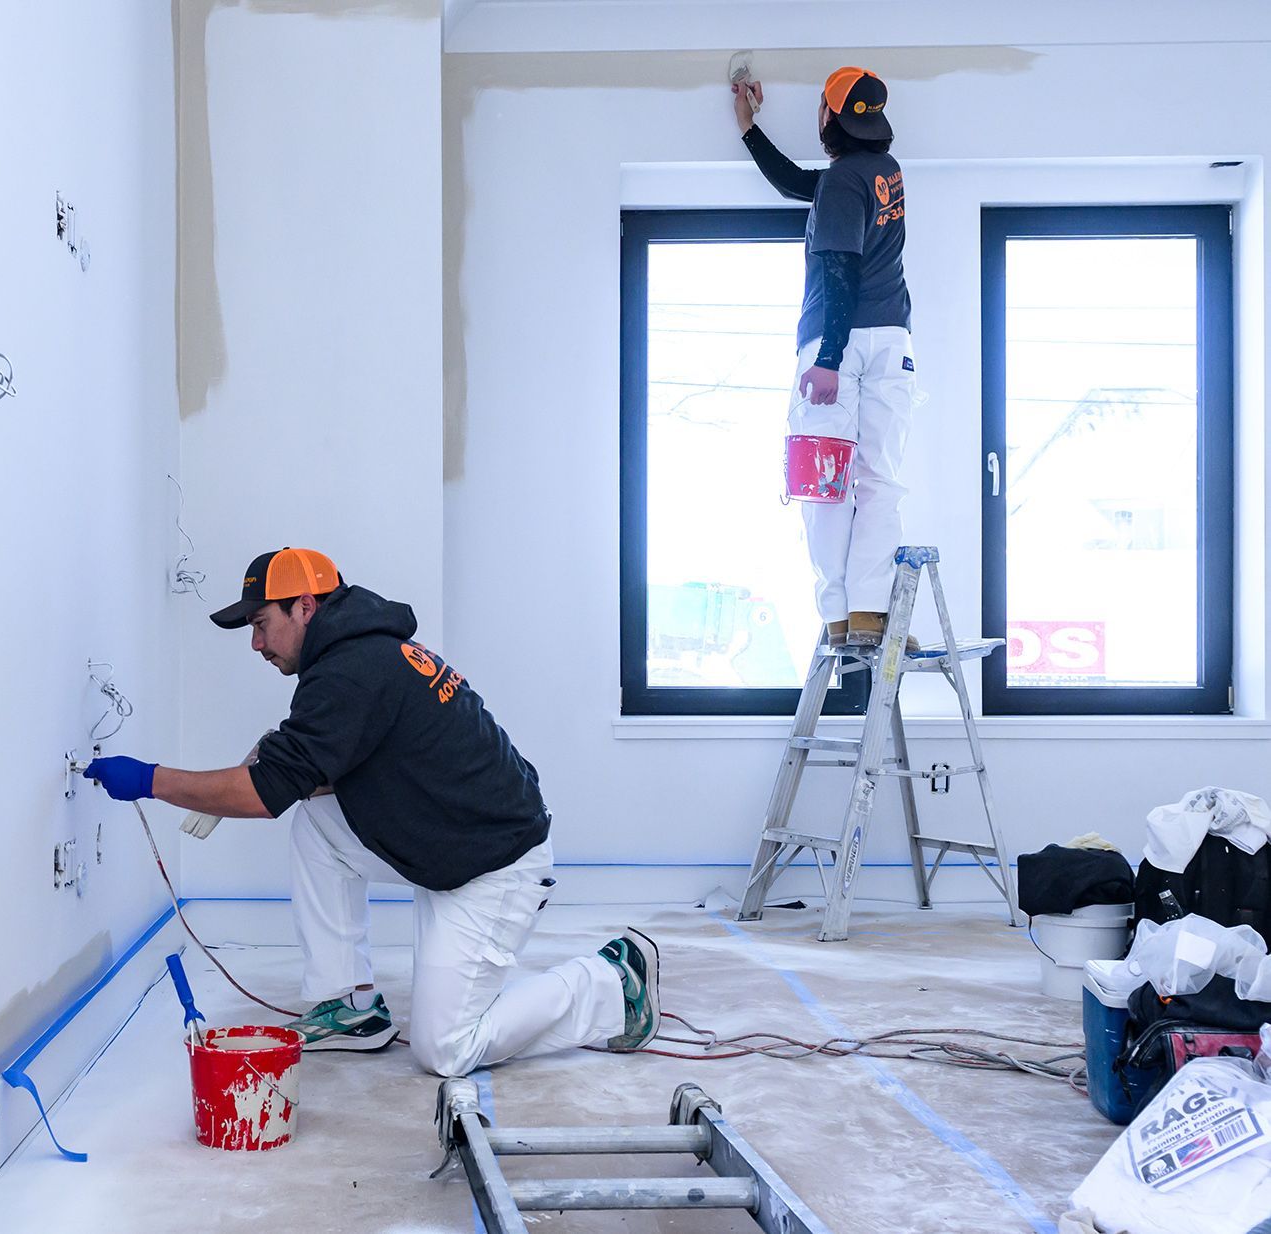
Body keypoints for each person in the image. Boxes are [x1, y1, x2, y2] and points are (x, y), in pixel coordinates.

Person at [84, 547, 660, 1076]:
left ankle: (611, 985)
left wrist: (150, 780)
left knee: (446, 1049)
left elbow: (263, 795)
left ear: (304, 607)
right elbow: (333, 770)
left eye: (261, 624)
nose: (256, 644)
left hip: (494, 868)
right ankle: (350, 1005)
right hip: (448, 844)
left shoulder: (350, 670)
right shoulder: (362, 654)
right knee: (317, 826)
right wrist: (292, 763)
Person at [733, 67, 916, 648]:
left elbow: (840, 270)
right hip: (892, 340)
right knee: (880, 479)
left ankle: (837, 614)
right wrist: (749, 127)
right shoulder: (884, 173)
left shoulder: (841, 183)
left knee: (825, 477)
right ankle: (868, 611)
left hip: (840, 343)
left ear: (830, 118)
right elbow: (796, 183)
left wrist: (830, 358)